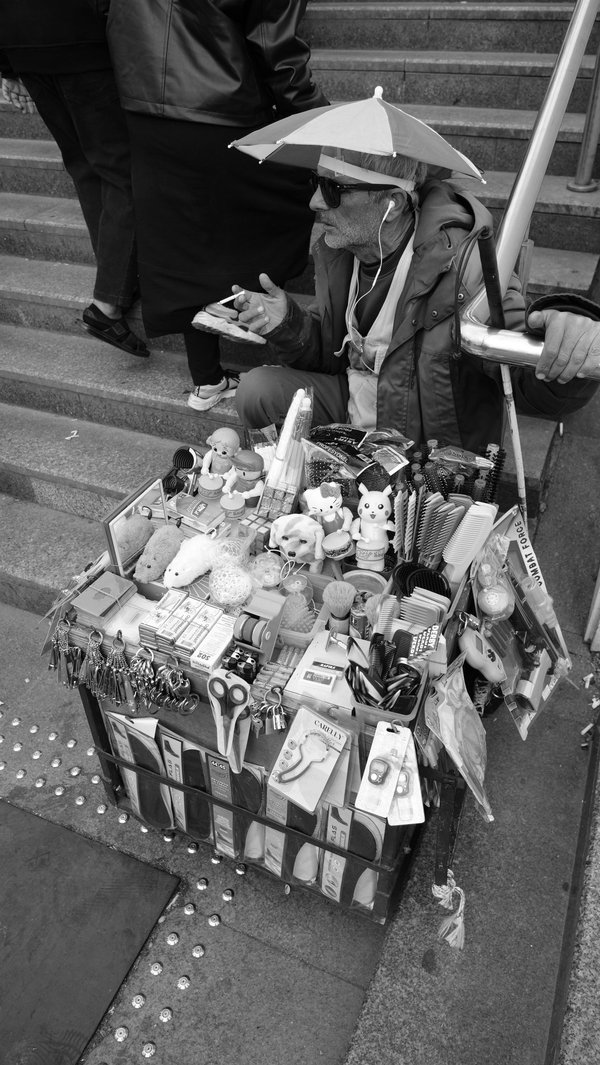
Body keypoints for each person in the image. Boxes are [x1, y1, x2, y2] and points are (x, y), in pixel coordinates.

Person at [227, 148, 599, 453]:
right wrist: (288, 324)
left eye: (333, 188)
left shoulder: (463, 267)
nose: (314, 201)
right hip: (359, 398)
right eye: (315, 183)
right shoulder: (342, 251)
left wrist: (570, 343)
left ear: (393, 203)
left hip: (423, 443)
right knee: (256, 391)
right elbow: (333, 355)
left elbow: (528, 384)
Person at [103, 0, 329, 411]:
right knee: (285, 196)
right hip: (219, 102)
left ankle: (207, 382)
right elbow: (274, 44)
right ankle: (226, 302)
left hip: (144, 96)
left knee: (185, 236)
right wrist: (315, 117)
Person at [0, 0, 148, 357]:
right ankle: (108, 303)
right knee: (123, 171)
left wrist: (7, 64)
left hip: (25, 42)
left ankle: (117, 279)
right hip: (85, 41)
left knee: (85, 165)